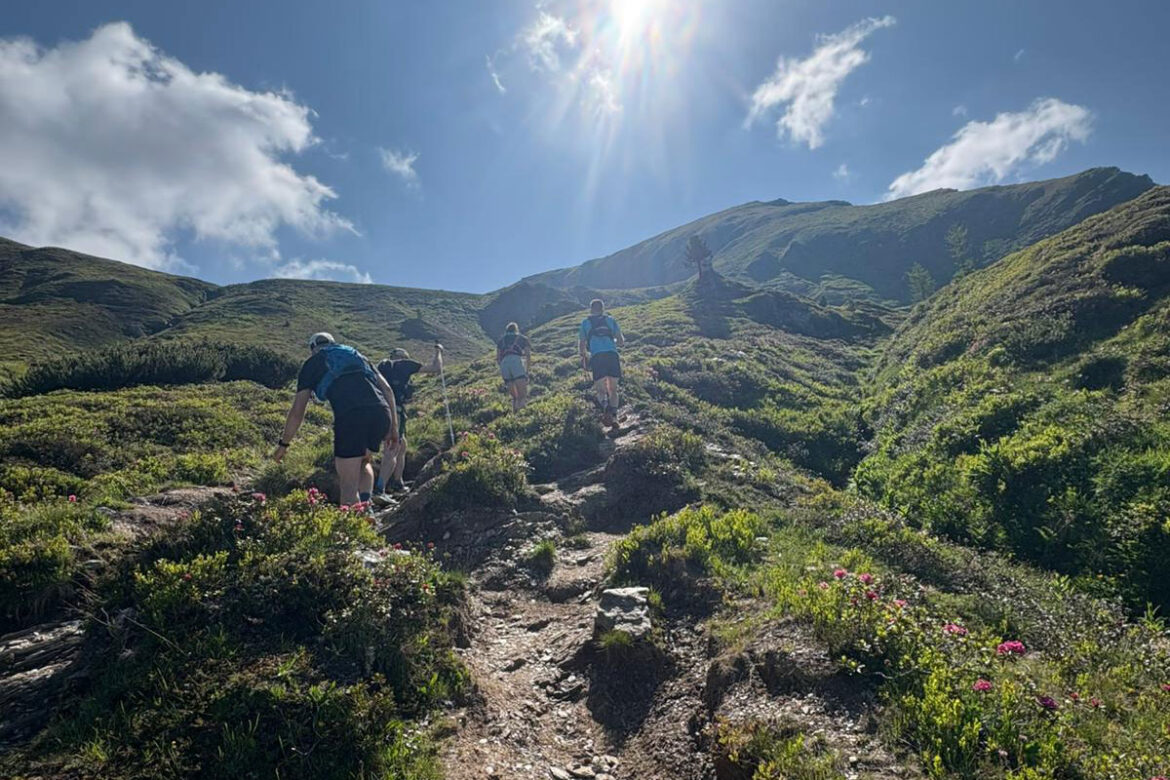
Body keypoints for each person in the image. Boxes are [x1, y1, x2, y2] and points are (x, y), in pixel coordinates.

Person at [272, 332, 399, 506]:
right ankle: (365, 503)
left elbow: (297, 410)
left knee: (348, 484)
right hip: (381, 412)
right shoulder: (356, 355)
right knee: (363, 460)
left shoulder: (312, 363)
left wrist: (284, 444)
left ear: (313, 349)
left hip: (350, 416)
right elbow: (387, 389)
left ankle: (355, 526)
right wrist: (394, 429)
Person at [375, 345, 443, 494]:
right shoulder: (406, 365)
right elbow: (435, 368)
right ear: (404, 357)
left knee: (402, 445)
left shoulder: (381, 366)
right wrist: (438, 351)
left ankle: (398, 482)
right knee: (392, 448)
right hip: (394, 411)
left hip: (376, 410)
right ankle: (380, 488)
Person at [578, 299, 625, 427]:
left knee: (601, 390)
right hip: (612, 355)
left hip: (597, 357)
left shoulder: (585, 323)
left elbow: (582, 344)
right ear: (603, 308)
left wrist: (583, 356)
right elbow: (621, 342)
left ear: (591, 309)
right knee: (613, 389)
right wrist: (611, 341)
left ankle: (605, 409)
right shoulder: (610, 320)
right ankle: (614, 416)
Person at [496, 322, 532, 412]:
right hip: (516, 362)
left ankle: (514, 415)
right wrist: (527, 371)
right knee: (522, 395)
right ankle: (522, 416)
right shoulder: (522, 339)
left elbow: (498, 358)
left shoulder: (501, 341)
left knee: (515, 397)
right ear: (516, 329)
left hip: (504, 364)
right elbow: (528, 355)